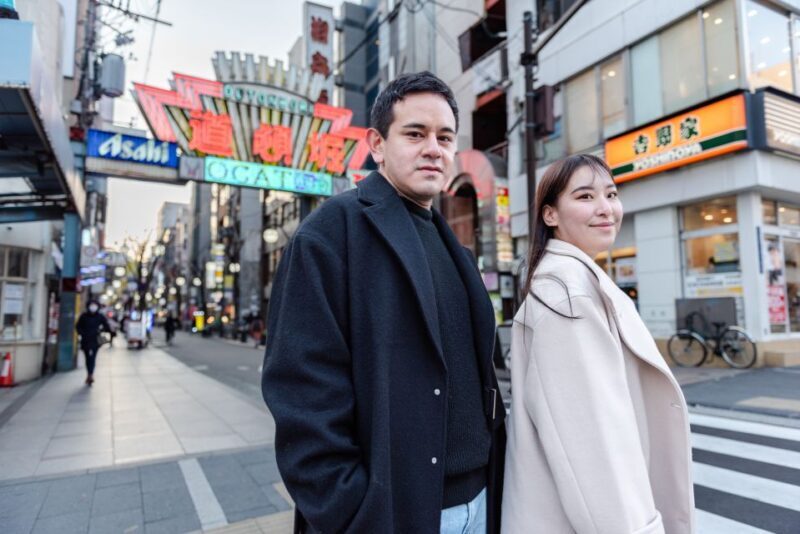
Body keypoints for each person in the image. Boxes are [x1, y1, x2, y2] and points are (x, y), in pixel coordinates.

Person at [262, 72, 506, 533]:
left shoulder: (452, 244)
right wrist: (353, 511)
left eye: (445, 137)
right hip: (392, 514)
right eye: (415, 134)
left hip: (480, 499)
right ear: (377, 144)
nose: (433, 148)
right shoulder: (330, 234)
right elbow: (301, 393)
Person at [501, 154, 694, 533]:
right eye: (586, 197)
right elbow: (592, 447)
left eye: (611, 194)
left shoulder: (573, 283)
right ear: (550, 215)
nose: (606, 209)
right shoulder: (568, 295)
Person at [75, 300, 110, 385]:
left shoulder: (100, 316)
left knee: (93, 357)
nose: (93, 307)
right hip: (86, 340)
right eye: (91, 305)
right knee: (88, 358)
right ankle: (89, 374)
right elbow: (78, 326)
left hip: (95, 340)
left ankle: (90, 375)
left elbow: (107, 326)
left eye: (94, 305)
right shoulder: (84, 316)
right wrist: (82, 333)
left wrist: (101, 330)